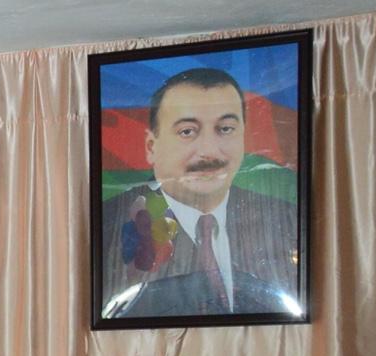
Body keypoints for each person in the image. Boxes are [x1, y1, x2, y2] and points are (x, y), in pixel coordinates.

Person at [102, 65, 301, 320]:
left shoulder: (286, 221)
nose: (209, 150)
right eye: (187, 132)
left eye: (225, 129)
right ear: (151, 147)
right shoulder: (108, 229)